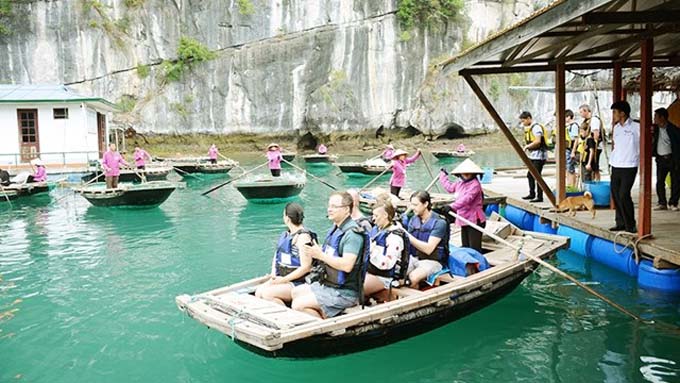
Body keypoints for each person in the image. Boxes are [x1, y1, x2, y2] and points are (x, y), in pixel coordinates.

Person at [291, 192, 367, 318]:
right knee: (295, 292)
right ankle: (323, 315)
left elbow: (347, 265)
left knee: (298, 305)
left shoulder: (352, 234)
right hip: (329, 285)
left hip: (345, 292)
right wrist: (314, 251)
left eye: (334, 206)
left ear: (347, 209)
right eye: (329, 206)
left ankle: (322, 327)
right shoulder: (336, 229)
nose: (329, 209)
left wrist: (320, 255)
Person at [255, 203, 316, 305]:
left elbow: (306, 267)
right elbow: (277, 256)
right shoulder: (286, 235)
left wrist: (283, 280)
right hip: (282, 277)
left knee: (268, 294)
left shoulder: (303, 237)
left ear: (287, 218)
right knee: (259, 292)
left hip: (298, 282)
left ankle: (288, 316)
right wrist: (273, 274)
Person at [363, 200, 409, 301]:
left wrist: (371, 249)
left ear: (385, 215)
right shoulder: (377, 230)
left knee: (356, 288)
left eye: (376, 215)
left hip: (385, 276)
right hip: (371, 271)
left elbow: (386, 265)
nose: (373, 219)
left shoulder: (394, 237)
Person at [438, 159, 486, 253]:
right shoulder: (460, 183)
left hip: (475, 220)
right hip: (463, 218)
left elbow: (467, 199)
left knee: (474, 249)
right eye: (463, 174)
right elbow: (449, 188)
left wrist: (452, 207)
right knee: (465, 247)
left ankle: (478, 266)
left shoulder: (475, 185)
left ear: (473, 174)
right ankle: (468, 265)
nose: (465, 176)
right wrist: (443, 176)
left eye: (468, 174)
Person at [404, 190, 449, 288]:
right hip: (414, 257)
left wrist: (407, 236)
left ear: (425, 204)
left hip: (433, 261)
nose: (412, 208)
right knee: (397, 273)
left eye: (415, 205)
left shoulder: (440, 223)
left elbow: (428, 249)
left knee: (413, 278)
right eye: (411, 204)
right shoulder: (413, 220)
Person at [609, 101, 639, 233]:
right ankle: (620, 222)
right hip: (616, 164)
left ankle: (630, 224)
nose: (614, 115)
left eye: (615, 112)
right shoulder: (616, 128)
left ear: (623, 113)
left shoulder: (636, 127)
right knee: (615, 194)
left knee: (624, 194)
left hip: (630, 164)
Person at [652, 107, 680, 211]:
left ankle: (673, 202)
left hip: (672, 158)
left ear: (662, 118)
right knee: (660, 181)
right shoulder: (655, 129)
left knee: (675, 181)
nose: (654, 119)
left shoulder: (673, 129)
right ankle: (662, 203)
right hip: (661, 158)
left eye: (656, 117)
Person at [520, 111, 548, 202]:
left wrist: (527, 146)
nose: (523, 123)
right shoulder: (530, 128)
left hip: (539, 155)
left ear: (529, 118)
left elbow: (538, 141)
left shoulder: (536, 128)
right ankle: (532, 193)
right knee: (530, 175)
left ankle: (540, 197)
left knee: (537, 176)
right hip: (533, 155)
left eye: (523, 121)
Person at [579, 104, 604, 181]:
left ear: (586, 111)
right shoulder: (586, 121)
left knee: (594, 167)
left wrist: (592, 142)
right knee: (591, 167)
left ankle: (597, 182)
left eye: (581, 112)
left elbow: (596, 134)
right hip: (588, 145)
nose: (580, 114)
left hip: (593, 146)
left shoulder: (594, 120)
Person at [565, 110, 581, 187]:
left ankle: (572, 186)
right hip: (567, 149)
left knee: (571, 169)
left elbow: (576, 139)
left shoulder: (574, 126)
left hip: (571, 149)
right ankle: (569, 184)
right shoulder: (568, 126)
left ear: (569, 117)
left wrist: (573, 151)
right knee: (567, 168)